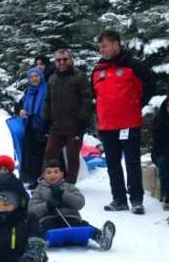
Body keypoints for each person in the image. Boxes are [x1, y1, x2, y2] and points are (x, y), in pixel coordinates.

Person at [91, 30, 153, 214]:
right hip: (107, 125)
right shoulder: (98, 69)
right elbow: (95, 93)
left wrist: (135, 105)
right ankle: (118, 199)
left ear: (116, 44)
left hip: (129, 123)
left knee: (132, 163)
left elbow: (148, 87)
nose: (101, 50)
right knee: (112, 164)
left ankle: (136, 199)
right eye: (100, 46)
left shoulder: (134, 66)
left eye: (105, 45)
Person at [28, 160, 115, 250]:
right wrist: (47, 206)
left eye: (56, 172)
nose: (52, 175)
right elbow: (31, 210)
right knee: (39, 229)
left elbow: (80, 203)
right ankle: (35, 243)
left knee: (85, 226)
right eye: (49, 172)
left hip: (71, 218)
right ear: (44, 175)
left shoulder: (69, 187)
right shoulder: (39, 190)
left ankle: (101, 238)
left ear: (62, 174)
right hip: (49, 219)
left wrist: (64, 194)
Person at [42, 48, 92, 184]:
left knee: (72, 156)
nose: (62, 62)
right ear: (55, 62)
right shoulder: (52, 78)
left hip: (74, 125)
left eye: (65, 59)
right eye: (59, 60)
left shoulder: (80, 76)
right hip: (56, 125)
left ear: (71, 60)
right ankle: (48, 182)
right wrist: (45, 118)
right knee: (49, 154)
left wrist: (83, 119)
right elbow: (47, 100)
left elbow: (87, 99)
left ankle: (70, 184)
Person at [18, 66, 49, 186]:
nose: (34, 79)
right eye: (31, 77)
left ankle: (41, 180)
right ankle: (33, 178)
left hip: (42, 126)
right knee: (30, 154)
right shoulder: (28, 91)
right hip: (29, 126)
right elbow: (19, 105)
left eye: (36, 76)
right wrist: (21, 111)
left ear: (41, 77)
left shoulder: (46, 90)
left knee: (41, 155)